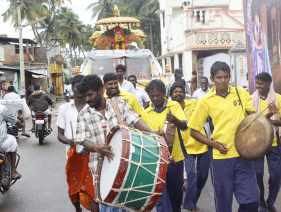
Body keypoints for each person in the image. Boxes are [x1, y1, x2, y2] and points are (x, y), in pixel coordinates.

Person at [74, 74, 163, 212]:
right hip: (102, 173)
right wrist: (97, 148)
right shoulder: (84, 114)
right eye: (85, 96)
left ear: (101, 90)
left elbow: (136, 121)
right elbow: (83, 141)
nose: (87, 99)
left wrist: (152, 133)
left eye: (90, 95)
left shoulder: (119, 104)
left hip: (127, 168)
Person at [189, 61, 260, 212]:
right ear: (212, 78)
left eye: (226, 77)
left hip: (243, 154)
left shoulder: (241, 93)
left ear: (229, 77)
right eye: (219, 77)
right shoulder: (205, 101)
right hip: (221, 158)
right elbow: (193, 131)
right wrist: (214, 144)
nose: (223, 81)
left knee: (252, 199)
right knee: (223, 203)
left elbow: (252, 118)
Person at [141, 79, 188, 212]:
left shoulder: (174, 106)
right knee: (160, 196)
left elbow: (184, 126)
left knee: (176, 195)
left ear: (164, 93)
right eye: (152, 96)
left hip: (175, 159)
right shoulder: (145, 114)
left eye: (158, 95)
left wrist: (175, 120)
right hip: (155, 160)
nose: (155, 99)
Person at [252, 72, 281, 212]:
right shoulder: (251, 98)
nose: (258, 86)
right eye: (257, 83)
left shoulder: (278, 98)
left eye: (261, 83)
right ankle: (261, 204)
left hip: (273, 142)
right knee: (257, 174)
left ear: (269, 83)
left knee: (276, 175)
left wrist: (268, 121)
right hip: (256, 142)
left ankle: (271, 202)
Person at [57, 75, 95, 212]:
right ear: (72, 88)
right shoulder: (64, 109)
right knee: (74, 185)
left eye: (81, 86)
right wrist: (70, 141)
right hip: (72, 155)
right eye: (76, 86)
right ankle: (77, 209)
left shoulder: (92, 107)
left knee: (91, 186)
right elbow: (60, 135)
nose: (79, 89)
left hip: (91, 153)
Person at [170, 82, 209, 212]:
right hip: (184, 147)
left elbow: (204, 116)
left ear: (184, 93)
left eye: (180, 91)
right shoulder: (170, 109)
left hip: (201, 142)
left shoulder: (193, 103)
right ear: (171, 94)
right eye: (175, 92)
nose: (178, 94)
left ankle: (191, 198)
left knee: (203, 175)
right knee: (191, 174)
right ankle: (190, 204)